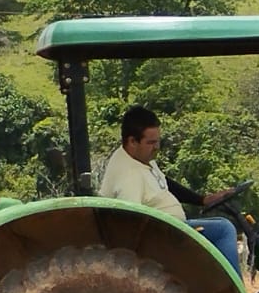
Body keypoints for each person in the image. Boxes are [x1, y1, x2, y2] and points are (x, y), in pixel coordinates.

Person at [99, 105, 242, 273]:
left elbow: (163, 182)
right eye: (151, 142)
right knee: (224, 229)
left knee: (221, 223)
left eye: (158, 141)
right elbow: (131, 224)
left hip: (173, 228)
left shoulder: (139, 158)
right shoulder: (128, 176)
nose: (157, 147)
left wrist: (202, 200)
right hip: (164, 236)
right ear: (132, 141)